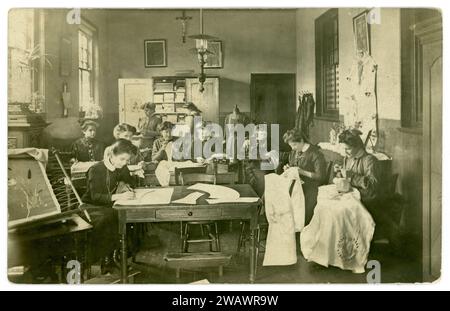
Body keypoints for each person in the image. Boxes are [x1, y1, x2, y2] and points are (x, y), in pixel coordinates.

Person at [82, 139, 137, 274]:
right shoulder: (96, 169)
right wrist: (119, 196)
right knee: (111, 217)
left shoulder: (122, 166)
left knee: (128, 215)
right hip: (91, 206)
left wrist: (126, 185)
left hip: (111, 204)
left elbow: (128, 181)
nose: (124, 163)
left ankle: (117, 255)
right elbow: (96, 197)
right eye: (122, 159)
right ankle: (106, 260)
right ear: (111, 155)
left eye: (127, 160)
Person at [279, 129, 327, 225]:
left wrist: (302, 172)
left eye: (294, 145)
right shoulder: (295, 152)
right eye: (291, 146)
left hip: (310, 189)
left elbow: (321, 177)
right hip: (297, 186)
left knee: (299, 213)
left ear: (301, 140)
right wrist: (288, 168)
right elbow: (293, 165)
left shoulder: (316, 154)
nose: (292, 148)